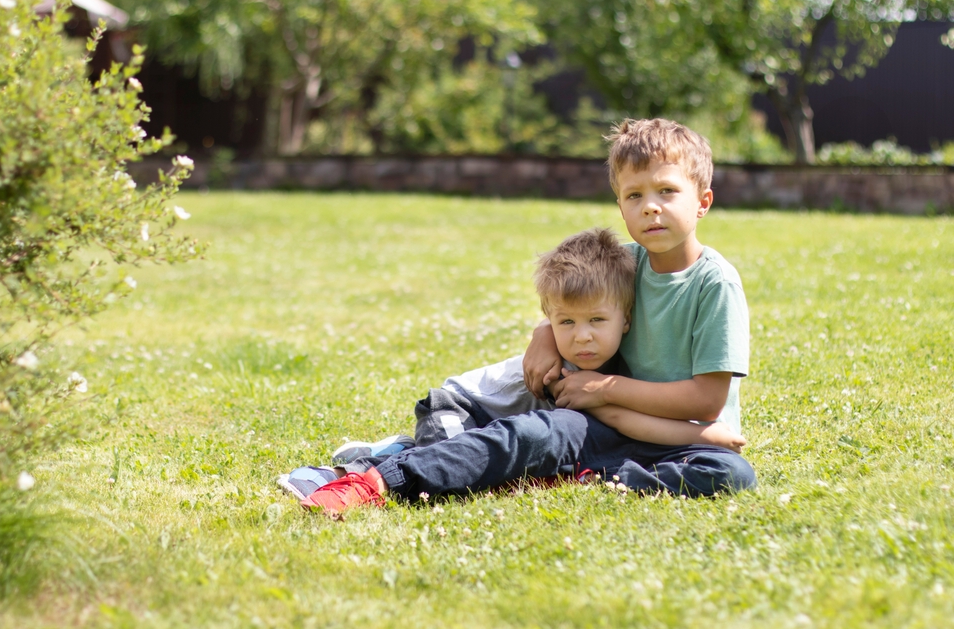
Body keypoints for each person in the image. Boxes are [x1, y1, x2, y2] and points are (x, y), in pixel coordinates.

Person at [288, 174, 754, 512]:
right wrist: (545, 333)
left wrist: (606, 392)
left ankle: (579, 476)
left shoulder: (714, 283)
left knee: (733, 473)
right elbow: (569, 301)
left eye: (667, 191)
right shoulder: (626, 262)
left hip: (647, 429)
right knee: (528, 437)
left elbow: (705, 403)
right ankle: (376, 477)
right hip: (576, 416)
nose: (651, 207)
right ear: (620, 205)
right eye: (635, 195)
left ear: (703, 201)